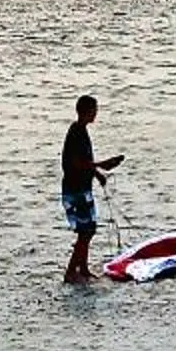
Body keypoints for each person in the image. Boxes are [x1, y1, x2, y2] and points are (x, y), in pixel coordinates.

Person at [59, 94, 124, 285]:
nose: (96, 113)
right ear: (86, 111)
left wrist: (98, 174)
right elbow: (76, 163)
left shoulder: (82, 131)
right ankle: (71, 272)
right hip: (74, 189)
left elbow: (85, 161)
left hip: (82, 187)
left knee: (88, 229)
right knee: (85, 231)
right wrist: (102, 164)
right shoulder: (76, 132)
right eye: (94, 109)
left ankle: (84, 269)